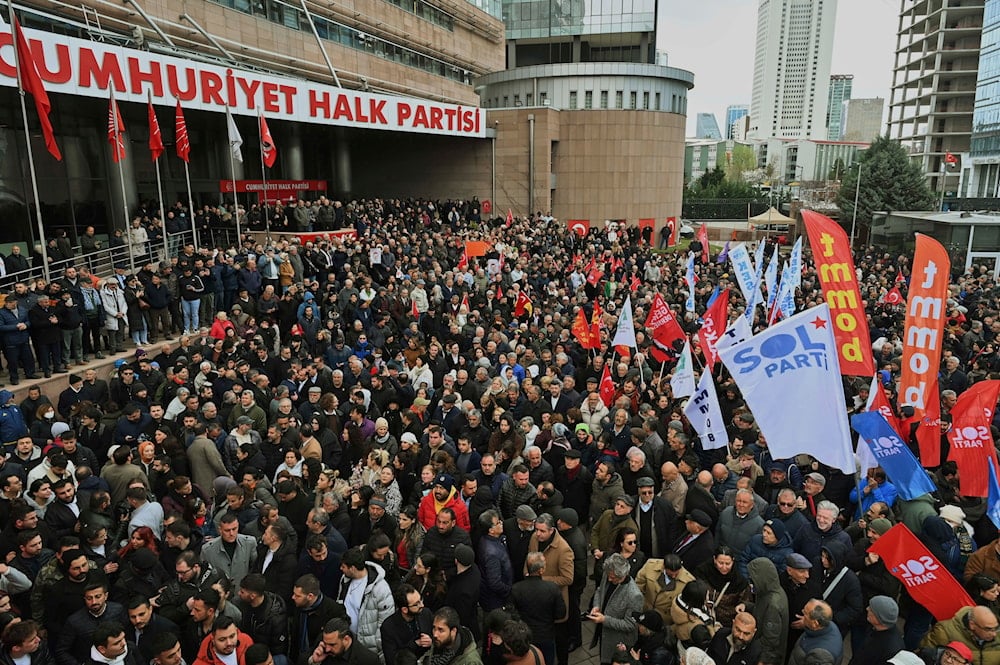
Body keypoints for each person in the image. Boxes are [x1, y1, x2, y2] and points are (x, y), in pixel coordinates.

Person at [335, 547, 394, 656]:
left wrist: (377, 644)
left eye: (343, 566)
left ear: (352, 568)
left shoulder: (380, 588)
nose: (341, 569)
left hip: (367, 647)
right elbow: (340, 601)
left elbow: (386, 621)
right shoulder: (345, 579)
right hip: (347, 640)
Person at [588, 553, 643, 665]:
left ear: (623, 575)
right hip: (604, 635)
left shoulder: (634, 595)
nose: (608, 578)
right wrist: (597, 606)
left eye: (612, 578)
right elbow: (599, 591)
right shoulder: (609, 573)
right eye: (608, 575)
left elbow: (630, 625)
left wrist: (604, 620)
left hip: (618, 645)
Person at [511, 552, 564, 665]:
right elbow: (561, 614)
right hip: (546, 635)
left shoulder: (516, 589)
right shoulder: (552, 588)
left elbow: (512, 614)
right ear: (541, 570)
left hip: (525, 637)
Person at [380, 585, 433, 665]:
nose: (422, 605)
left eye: (421, 599)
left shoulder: (426, 613)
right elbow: (392, 659)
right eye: (416, 604)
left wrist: (431, 642)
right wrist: (414, 645)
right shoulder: (388, 627)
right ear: (404, 609)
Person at [849, 596, 903, 665]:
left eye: (871, 609)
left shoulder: (890, 650)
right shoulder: (876, 628)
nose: (867, 608)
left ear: (879, 618)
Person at [305, 617, 379, 665]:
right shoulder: (322, 642)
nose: (327, 649)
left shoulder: (367, 660)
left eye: (332, 645)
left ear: (346, 639)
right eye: (325, 643)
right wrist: (314, 661)